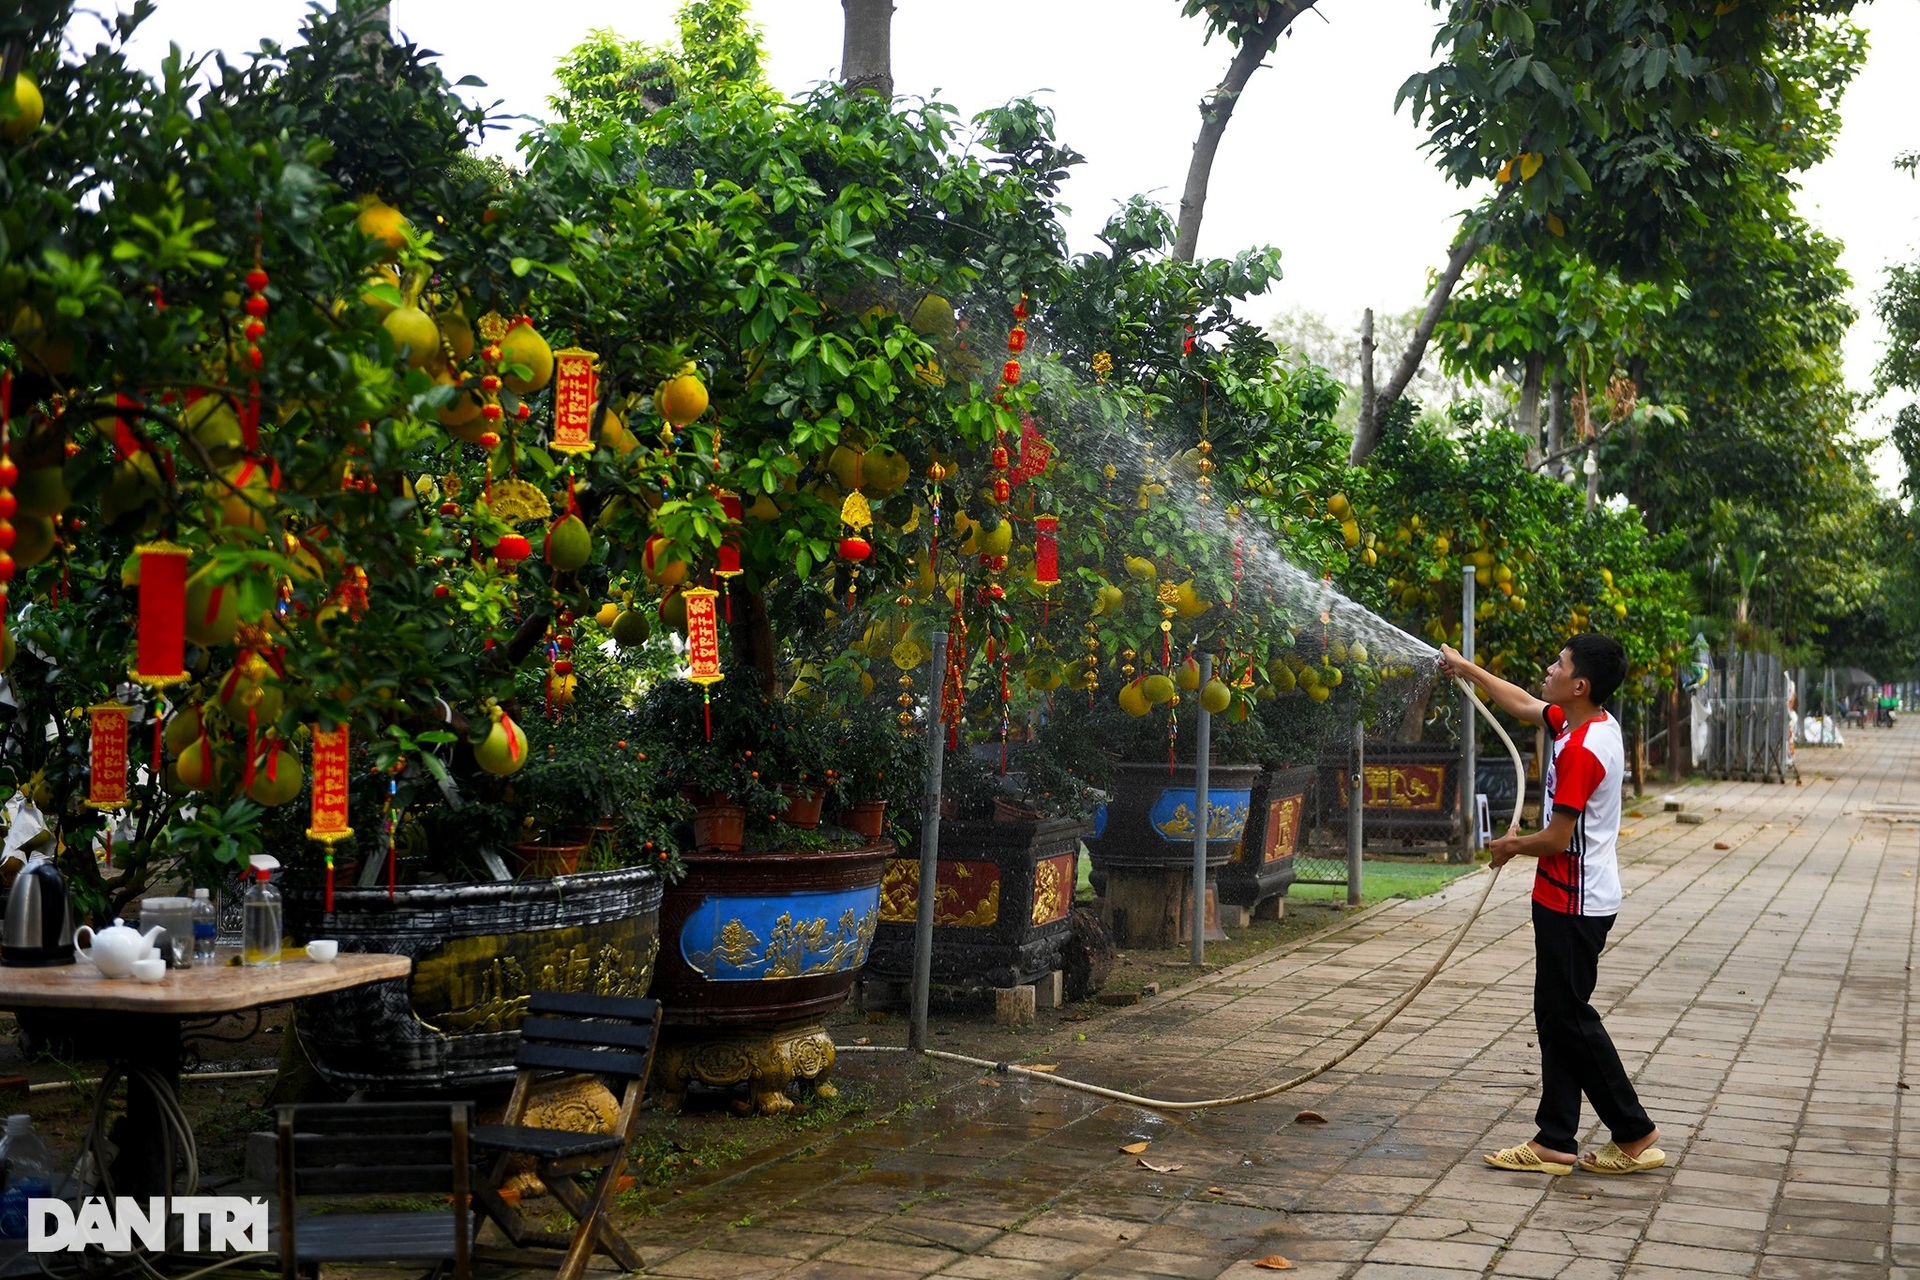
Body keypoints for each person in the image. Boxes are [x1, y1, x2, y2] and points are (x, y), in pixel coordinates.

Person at [1438, 634, 1663, 1177]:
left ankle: (1634, 1132)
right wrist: (1467, 669)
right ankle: (1556, 1139)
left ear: (1579, 684)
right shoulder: (1584, 724)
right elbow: (1521, 702)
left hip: (1575, 901)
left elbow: (1558, 839)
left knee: (1571, 1018)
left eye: (1559, 664)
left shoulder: (1584, 750)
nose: (1548, 667)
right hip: (1570, 896)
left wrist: (1511, 845)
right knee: (1556, 1015)